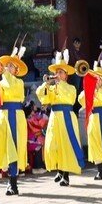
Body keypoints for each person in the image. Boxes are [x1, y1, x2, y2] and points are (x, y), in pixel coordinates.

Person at [36, 51, 84, 186]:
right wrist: (46, 84)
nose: (58, 74)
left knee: (66, 145)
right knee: (53, 145)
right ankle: (59, 169)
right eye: (57, 72)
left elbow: (70, 99)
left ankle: (66, 175)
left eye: (61, 72)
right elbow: (42, 97)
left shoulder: (71, 88)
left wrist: (57, 84)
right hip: (55, 117)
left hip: (67, 117)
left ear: (66, 76)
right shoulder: (52, 87)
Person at [0, 46, 29, 194]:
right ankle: (10, 180)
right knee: (6, 148)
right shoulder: (0, 83)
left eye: (11, 66)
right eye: (7, 65)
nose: (8, 67)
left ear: (16, 70)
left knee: (15, 147)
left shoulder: (18, 83)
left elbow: (15, 91)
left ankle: (13, 183)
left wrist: (7, 69)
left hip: (17, 115)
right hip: (3, 116)